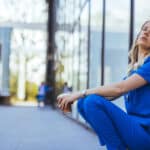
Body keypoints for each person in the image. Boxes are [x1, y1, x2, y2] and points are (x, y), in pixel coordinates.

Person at [57, 20, 150, 150]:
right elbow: (109, 95)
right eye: (144, 28)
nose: (146, 32)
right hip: (135, 129)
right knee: (84, 103)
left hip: (145, 135)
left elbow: (119, 88)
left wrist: (79, 93)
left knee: (92, 102)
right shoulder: (134, 72)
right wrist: (76, 96)